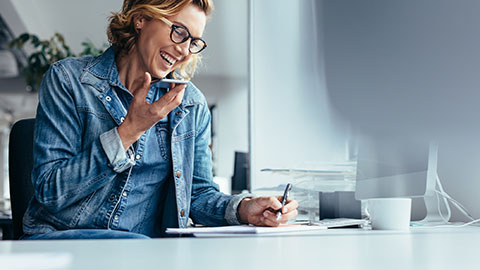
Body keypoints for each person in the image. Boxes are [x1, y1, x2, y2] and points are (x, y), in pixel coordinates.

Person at [22, 0, 298, 240]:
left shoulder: (190, 104)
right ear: (141, 18)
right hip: (62, 242)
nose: (185, 50)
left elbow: (198, 196)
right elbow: (51, 192)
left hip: (141, 252)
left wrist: (244, 209)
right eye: (179, 32)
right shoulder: (70, 80)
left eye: (194, 42)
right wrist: (128, 131)